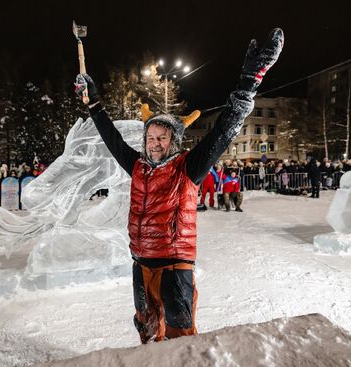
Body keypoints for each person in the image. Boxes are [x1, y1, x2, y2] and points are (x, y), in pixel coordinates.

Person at [74, 29, 283, 343]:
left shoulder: (188, 166)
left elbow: (223, 132)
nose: (155, 143)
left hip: (175, 266)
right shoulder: (138, 166)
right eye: (150, 137)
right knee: (146, 329)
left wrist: (249, 83)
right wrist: (93, 105)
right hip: (141, 263)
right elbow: (112, 139)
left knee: (180, 338)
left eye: (162, 137)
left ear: (173, 141)